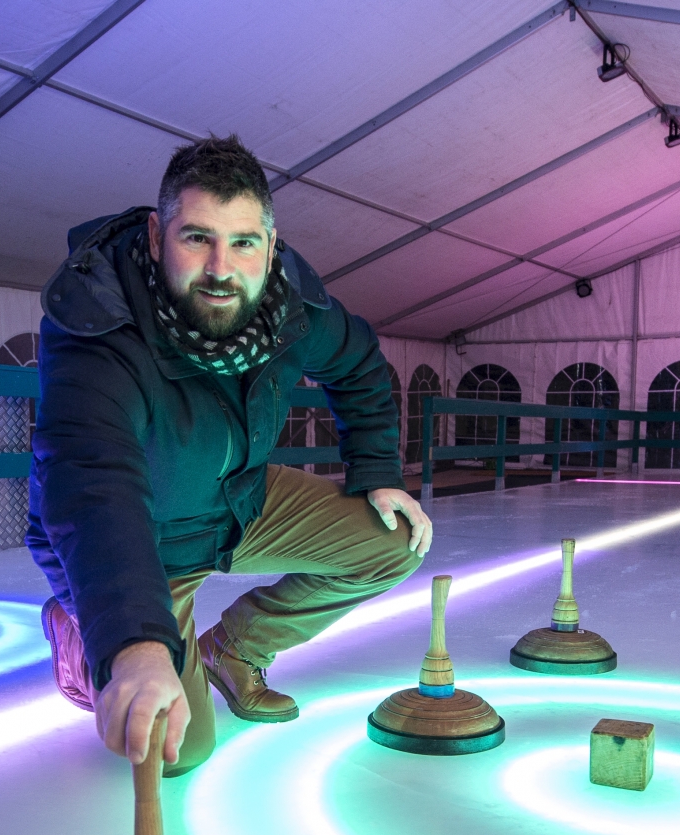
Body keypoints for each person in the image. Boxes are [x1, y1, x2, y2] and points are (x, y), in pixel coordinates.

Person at [28, 135, 432, 776]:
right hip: (143, 535)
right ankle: (83, 629)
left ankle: (234, 651)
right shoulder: (98, 320)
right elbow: (92, 479)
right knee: (177, 751)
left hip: (235, 498)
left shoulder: (291, 307)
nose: (221, 267)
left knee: (393, 541)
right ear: (159, 236)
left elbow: (360, 367)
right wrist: (132, 640)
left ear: (271, 245)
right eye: (197, 238)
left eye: (243, 242)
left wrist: (378, 473)